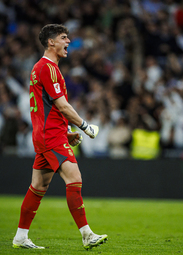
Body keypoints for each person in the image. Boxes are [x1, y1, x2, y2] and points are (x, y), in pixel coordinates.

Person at [12, 24, 108, 250]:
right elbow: (62, 106)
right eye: (64, 38)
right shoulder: (48, 68)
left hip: (47, 134)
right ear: (51, 42)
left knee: (38, 186)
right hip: (50, 136)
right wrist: (85, 126)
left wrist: (65, 132)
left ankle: (20, 236)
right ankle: (87, 234)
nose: (68, 42)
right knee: (74, 179)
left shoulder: (38, 68)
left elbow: (46, 108)